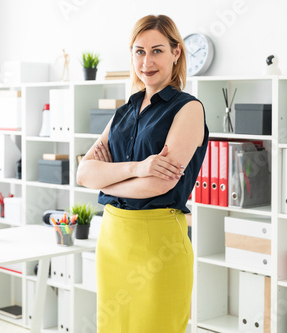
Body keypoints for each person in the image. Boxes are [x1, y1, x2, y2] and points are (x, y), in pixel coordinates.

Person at [77, 14, 209, 332]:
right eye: (139, 51)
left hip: (159, 244)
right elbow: (83, 173)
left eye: (157, 50)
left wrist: (107, 181)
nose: (146, 61)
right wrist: (136, 168)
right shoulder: (124, 111)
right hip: (113, 240)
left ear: (176, 52)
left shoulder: (188, 109)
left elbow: (157, 185)